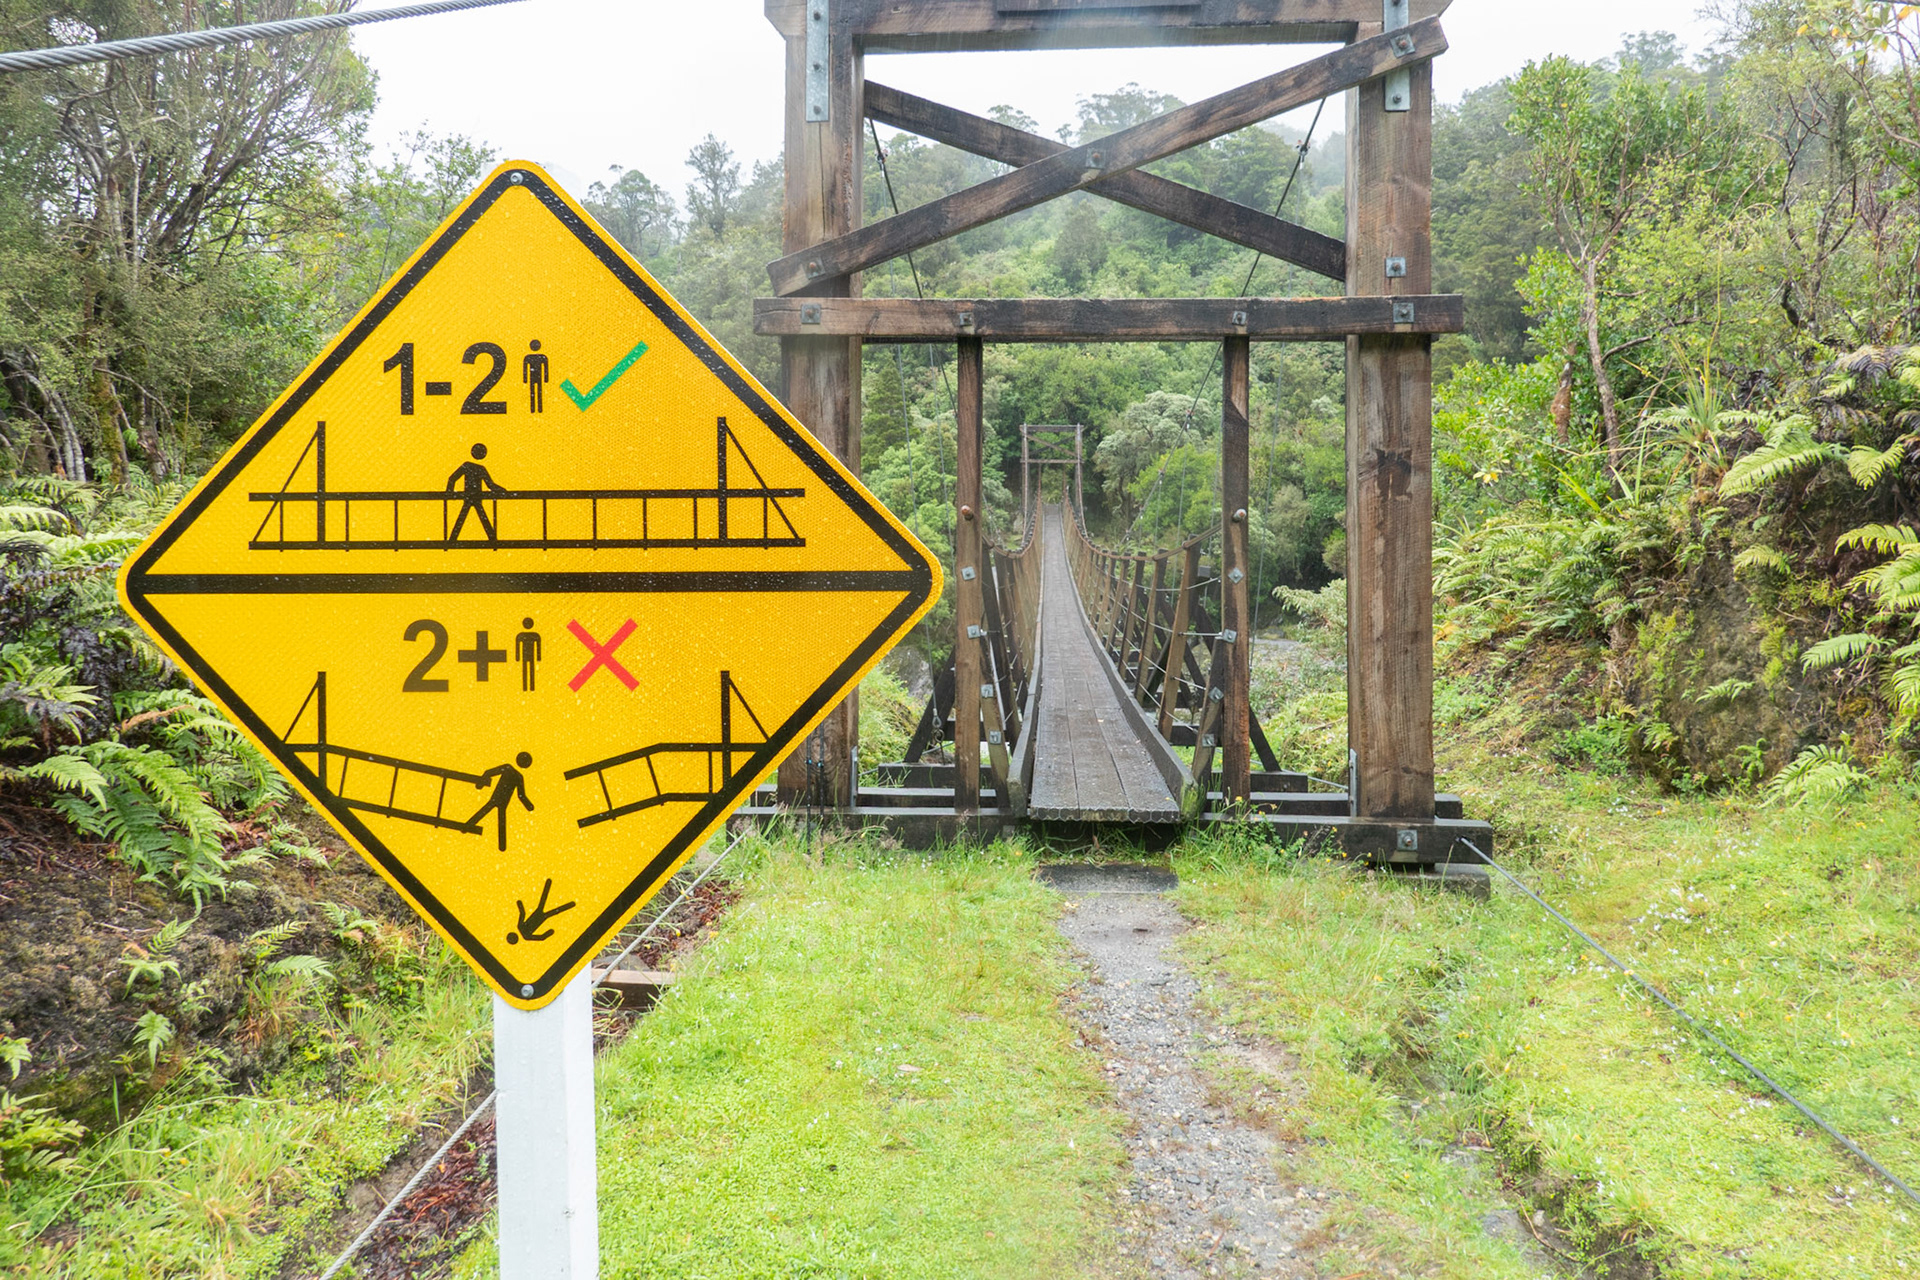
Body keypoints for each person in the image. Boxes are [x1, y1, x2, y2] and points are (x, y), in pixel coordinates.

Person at [469, 751, 533, 852]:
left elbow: (488, 772)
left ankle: (468, 825)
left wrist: (480, 785)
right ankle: (501, 845)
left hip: (498, 798)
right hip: (501, 800)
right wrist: (529, 806)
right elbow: (521, 796)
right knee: (498, 817)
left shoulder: (509, 770)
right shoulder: (517, 776)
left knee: (487, 810)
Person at [446, 443, 504, 541]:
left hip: (471, 496)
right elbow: (490, 485)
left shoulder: (468, 466)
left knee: (466, 516)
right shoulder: (478, 468)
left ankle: (452, 540)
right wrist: (502, 491)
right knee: (479, 516)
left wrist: (449, 492)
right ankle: (492, 540)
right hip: (474, 496)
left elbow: (452, 479)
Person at [523, 340, 549, 413]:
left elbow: (545, 368)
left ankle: (536, 408)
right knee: (535, 391)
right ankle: (535, 408)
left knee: (536, 391)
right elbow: (525, 369)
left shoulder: (540, 357)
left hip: (535, 376)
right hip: (535, 377)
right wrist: (525, 379)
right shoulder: (540, 357)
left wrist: (546, 378)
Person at [515, 619, 541, 692]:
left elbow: (538, 647)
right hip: (525, 656)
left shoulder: (535, 635)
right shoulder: (521, 636)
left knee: (530, 669)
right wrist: (517, 657)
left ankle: (531, 686)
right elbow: (517, 647)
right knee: (526, 670)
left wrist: (538, 657)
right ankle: (526, 687)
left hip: (530, 656)